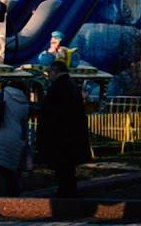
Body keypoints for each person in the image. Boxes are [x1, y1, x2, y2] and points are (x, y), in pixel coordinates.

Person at [36, 60, 91, 197]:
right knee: (68, 168)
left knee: (62, 167)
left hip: (60, 135)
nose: (48, 75)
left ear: (55, 71)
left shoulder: (57, 87)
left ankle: (65, 194)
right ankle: (68, 192)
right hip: (72, 134)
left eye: (49, 73)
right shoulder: (72, 86)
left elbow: (50, 112)